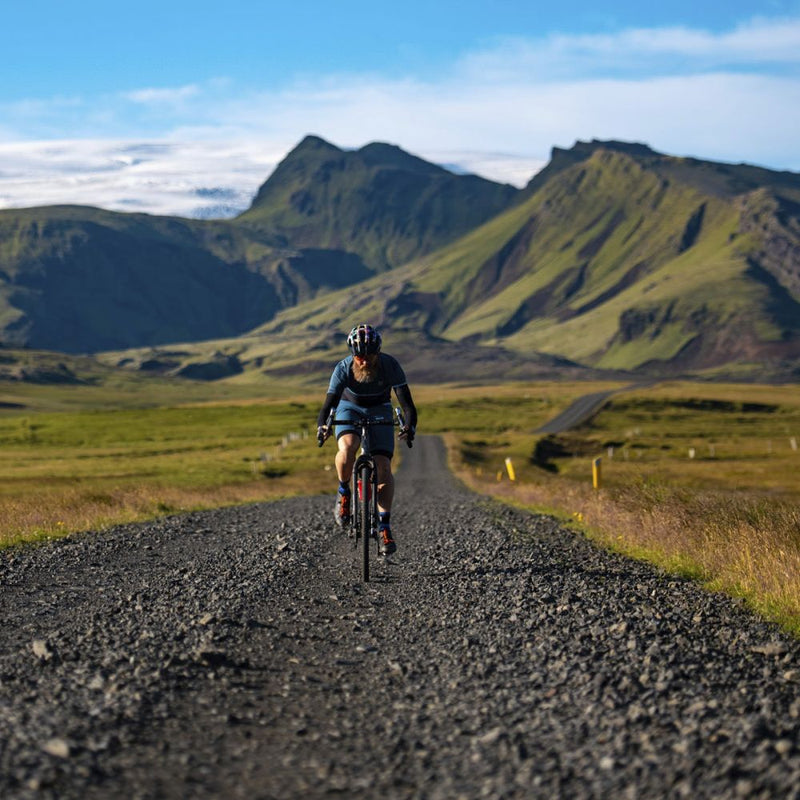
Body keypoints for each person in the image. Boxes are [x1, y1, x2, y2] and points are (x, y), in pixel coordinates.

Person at [317, 324, 417, 556]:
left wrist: (409, 427)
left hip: (380, 408)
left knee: (383, 467)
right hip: (349, 407)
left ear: (378, 352)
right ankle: (344, 492)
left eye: (369, 355)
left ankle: (384, 526)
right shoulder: (342, 368)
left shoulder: (390, 365)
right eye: (359, 356)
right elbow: (328, 405)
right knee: (349, 446)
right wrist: (323, 426)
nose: (363, 361)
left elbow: (407, 405)